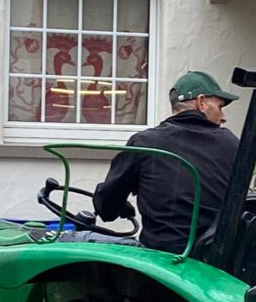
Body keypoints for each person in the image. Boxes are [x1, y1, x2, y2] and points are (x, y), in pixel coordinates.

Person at [93, 70, 239, 252]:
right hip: (217, 255)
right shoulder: (232, 144)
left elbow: (108, 207)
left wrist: (109, 202)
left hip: (163, 254)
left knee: (80, 238)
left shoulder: (145, 142)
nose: (223, 117)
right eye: (220, 107)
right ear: (201, 102)